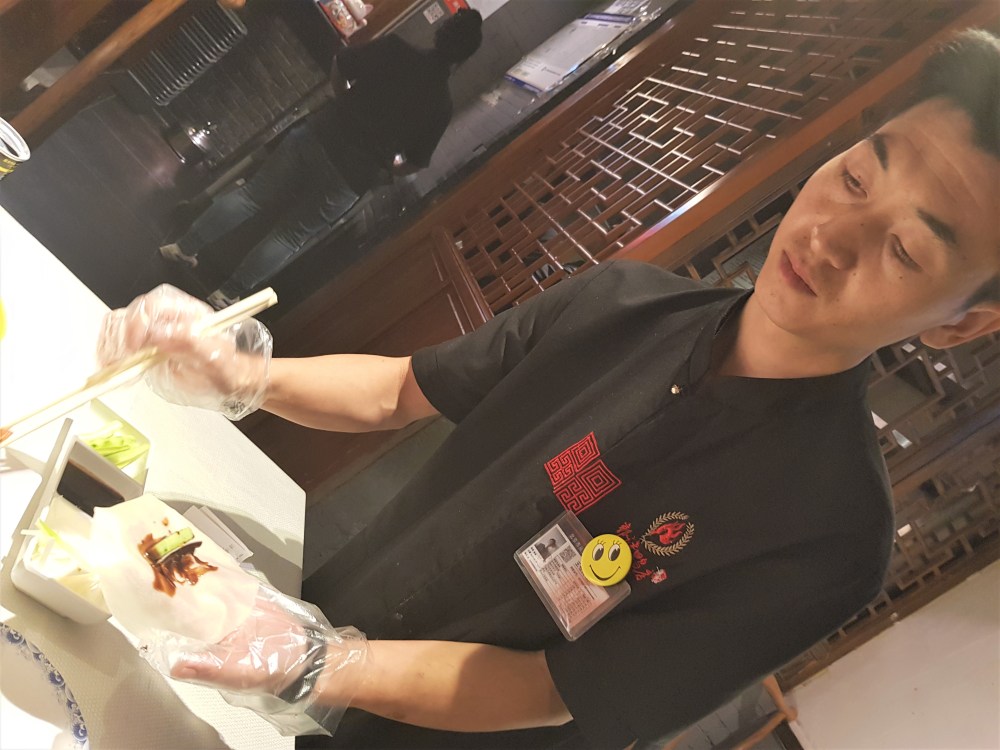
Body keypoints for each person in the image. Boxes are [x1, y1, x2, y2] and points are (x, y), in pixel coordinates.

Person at [99, 29, 1000, 748]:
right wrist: (243, 373)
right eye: (855, 177)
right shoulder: (624, 301)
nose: (831, 238)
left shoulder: (832, 536)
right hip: (288, 632)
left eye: (905, 249)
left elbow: (553, 690)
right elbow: (400, 391)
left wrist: (322, 666)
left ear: (962, 322)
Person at [158, 8, 484, 309]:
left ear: (440, 32)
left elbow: (341, 63)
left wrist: (343, 100)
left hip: (321, 133)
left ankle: (183, 246)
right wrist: (387, 166)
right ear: (465, 58)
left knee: (251, 197)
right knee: (289, 235)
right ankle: (227, 294)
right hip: (353, 175)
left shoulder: (395, 48)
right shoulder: (441, 106)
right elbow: (416, 161)